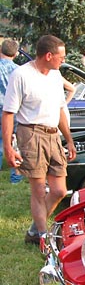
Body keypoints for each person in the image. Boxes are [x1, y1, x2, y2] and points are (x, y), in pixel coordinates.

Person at [1, 35, 77, 245]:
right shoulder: (21, 75)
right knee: (38, 189)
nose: (63, 60)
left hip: (54, 135)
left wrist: (68, 140)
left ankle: (35, 230)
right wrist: (8, 147)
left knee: (60, 190)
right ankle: (44, 237)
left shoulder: (55, 75)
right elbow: (8, 113)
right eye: (61, 57)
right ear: (48, 55)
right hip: (31, 133)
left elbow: (60, 109)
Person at [0, 38, 20, 180]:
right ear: (16, 54)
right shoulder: (19, 71)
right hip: (12, 109)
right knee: (14, 141)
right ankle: (16, 176)